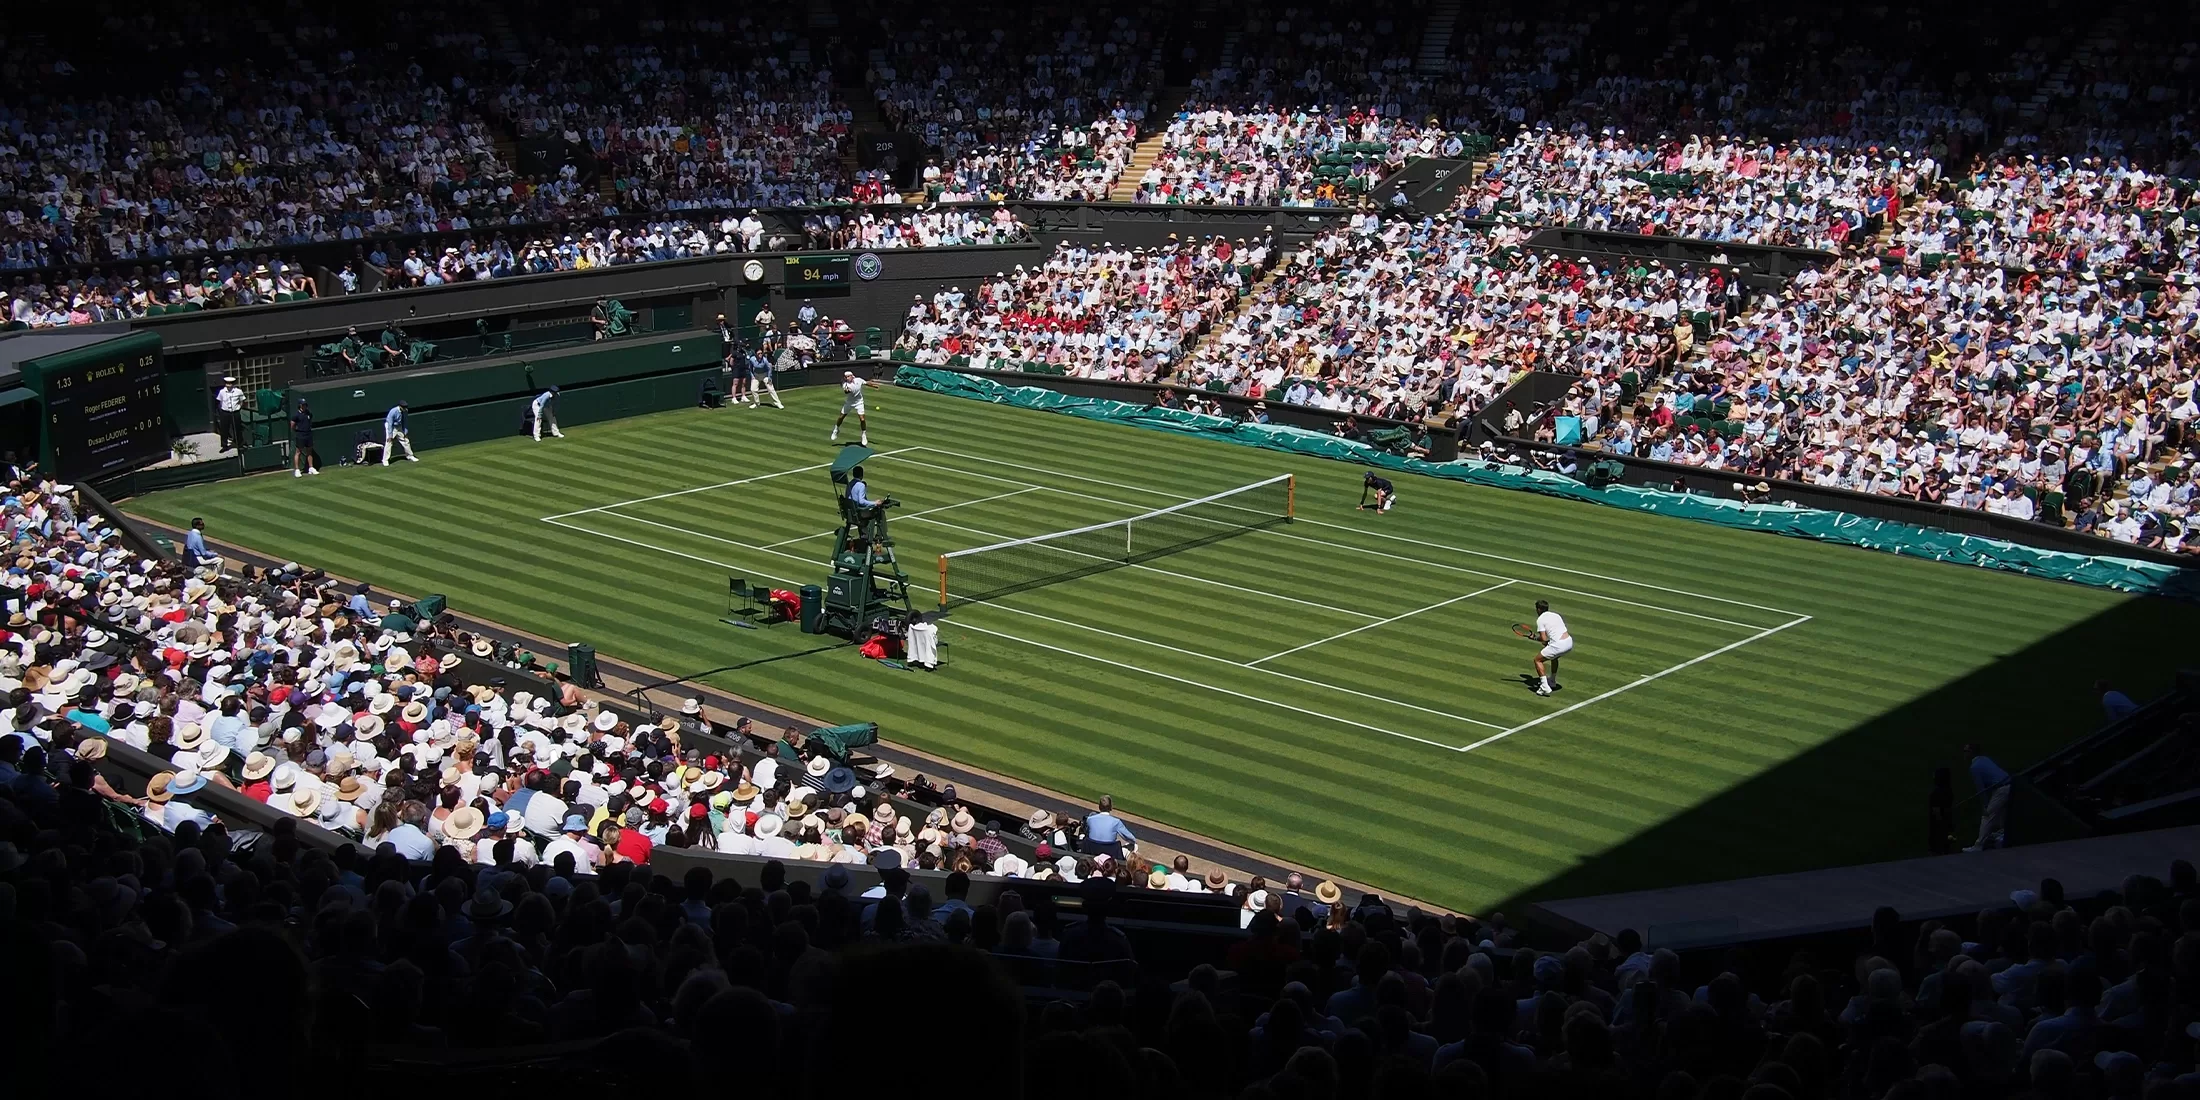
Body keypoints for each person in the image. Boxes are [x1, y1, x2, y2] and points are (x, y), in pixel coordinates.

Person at [1965, 743, 2011, 851]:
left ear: (1972, 753)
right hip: (2009, 784)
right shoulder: (1985, 759)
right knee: (2001, 811)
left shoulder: (1974, 767)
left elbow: (1981, 789)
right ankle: (2002, 833)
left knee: (1987, 815)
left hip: (2001, 788)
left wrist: (1985, 806)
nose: (1964, 754)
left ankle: (1978, 845)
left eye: (1966, 751)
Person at [1530, 599, 1571, 696]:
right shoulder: (1556, 615)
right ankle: (1552, 681)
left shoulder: (1540, 620)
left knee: (1537, 660)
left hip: (1559, 645)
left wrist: (1535, 638)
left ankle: (1544, 686)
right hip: (1568, 642)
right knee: (1554, 657)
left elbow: (1544, 638)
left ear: (1539, 609)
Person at [832, 370, 879, 445]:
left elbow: (866, 383)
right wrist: (847, 390)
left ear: (852, 376)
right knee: (841, 417)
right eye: (846, 377)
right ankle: (836, 429)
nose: (847, 378)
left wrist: (874, 385)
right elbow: (846, 391)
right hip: (849, 403)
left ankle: (864, 435)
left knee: (862, 419)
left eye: (848, 376)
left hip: (859, 402)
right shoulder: (845, 385)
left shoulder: (858, 380)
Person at [1083, 794, 1136, 859]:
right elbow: (1132, 839)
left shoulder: (1090, 819)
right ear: (1111, 807)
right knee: (1135, 846)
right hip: (1110, 855)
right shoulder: (1116, 822)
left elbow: (1086, 832)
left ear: (1099, 807)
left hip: (1092, 851)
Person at [214, 375, 246, 452]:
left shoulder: (238, 391)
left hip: (235, 412)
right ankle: (224, 445)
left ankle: (239, 444)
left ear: (233, 384)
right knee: (224, 429)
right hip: (225, 412)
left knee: (237, 428)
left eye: (230, 383)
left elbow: (242, 400)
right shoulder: (222, 392)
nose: (229, 385)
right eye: (227, 383)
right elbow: (219, 401)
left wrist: (238, 408)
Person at [290, 398, 319, 477]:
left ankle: (311, 468)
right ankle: (297, 470)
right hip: (300, 435)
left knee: (309, 451)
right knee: (298, 452)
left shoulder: (309, 413)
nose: (304, 406)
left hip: (308, 434)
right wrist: (297, 430)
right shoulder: (296, 415)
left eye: (305, 404)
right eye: (303, 405)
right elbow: (292, 425)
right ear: (300, 405)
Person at [383, 400, 417, 465]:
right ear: (400, 407)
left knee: (405, 440)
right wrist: (390, 435)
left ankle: (410, 456)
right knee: (389, 442)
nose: (406, 409)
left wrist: (405, 432)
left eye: (406, 407)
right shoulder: (393, 411)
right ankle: (385, 460)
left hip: (399, 426)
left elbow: (405, 421)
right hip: (391, 427)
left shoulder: (405, 411)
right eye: (404, 407)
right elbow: (390, 423)